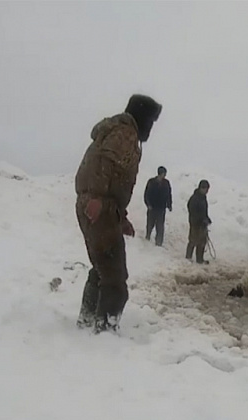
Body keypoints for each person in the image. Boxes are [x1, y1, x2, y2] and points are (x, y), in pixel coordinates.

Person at [75, 94, 162, 333]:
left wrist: (120, 218)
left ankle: (87, 320)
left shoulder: (119, 131)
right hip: (98, 204)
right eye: (151, 122)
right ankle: (104, 330)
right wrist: (96, 198)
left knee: (102, 268)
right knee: (114, 276)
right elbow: (105, 164)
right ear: (142, 117)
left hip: (101, 205)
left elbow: (114, 178)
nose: (151, 128)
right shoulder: (125, 133)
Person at [143, 166, 172, 246]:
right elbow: (147, 194)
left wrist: (169, 204)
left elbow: (169, 195)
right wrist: (148, 204)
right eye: (163, 174)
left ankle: (159, 242)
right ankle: (148, 235)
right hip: (152, 207)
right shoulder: (151, 182)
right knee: (150, 223)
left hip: (161, 208)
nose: (164, 175)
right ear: (160, 173)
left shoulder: (166, 183)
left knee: (160, 226)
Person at [186, 179, 212, 264]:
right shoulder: (194, 199)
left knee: (202, 242)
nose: (207, 191)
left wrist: (207, 218)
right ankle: (188, 257)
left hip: (202, 224)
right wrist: (201, 219)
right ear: (201, 188)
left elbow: (204, 211)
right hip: (195, 223)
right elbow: (193, 212)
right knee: (193, 240)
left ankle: (199, 259)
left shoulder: (203, 198)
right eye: (206, 189)